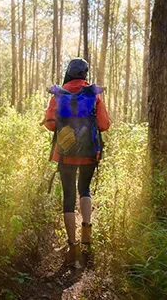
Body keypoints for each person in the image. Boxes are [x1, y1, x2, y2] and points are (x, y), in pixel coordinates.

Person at [43, 58, 111, 265]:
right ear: (84, 74)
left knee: (68, 197)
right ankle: (87, 233)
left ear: (69, 73)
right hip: (89, 152)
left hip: (64, 154)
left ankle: (72, 248)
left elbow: (50, 125)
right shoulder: (93, 94)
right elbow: (104, 124)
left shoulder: (59, 94)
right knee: (85, 189)